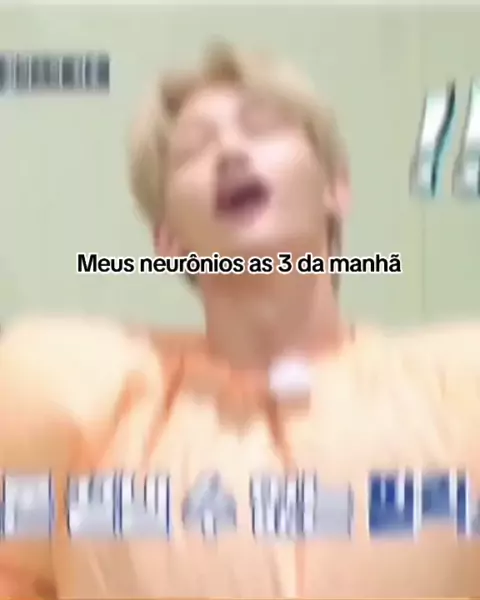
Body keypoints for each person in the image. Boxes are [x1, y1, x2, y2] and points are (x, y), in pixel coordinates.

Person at [0, 42, 479, 599]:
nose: (229, 151)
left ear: (335, 190)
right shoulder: (86, 412)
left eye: (263, 128)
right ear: (169, 240)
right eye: (193, 151)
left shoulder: (458, 393)